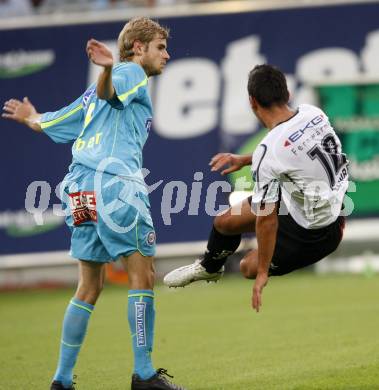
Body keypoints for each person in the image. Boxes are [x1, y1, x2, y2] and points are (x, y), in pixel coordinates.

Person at [2, 17, 186, 390]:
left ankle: (62, 380)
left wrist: (29, 117)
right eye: (160, 47)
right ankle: (145, 374)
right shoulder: (131, 73)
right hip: (115, 185)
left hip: (79, 191)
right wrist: (106, 69)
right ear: (137, 47)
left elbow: (52, 121)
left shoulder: (91, 95)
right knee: (142, 277)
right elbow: (111, 92)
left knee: (88, 286)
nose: (167, 54)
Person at [164, 64, 348, 313]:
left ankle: (247, 268)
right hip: (308, 204)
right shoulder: (312, 113)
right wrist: (245, 159)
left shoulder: (268, 151)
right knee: (224, 223)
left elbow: (267, 219)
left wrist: (262, 273)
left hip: (315, 234)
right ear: (288, 94)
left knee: (247, 267)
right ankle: (209, 268)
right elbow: (290, 153)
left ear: (252, 102)